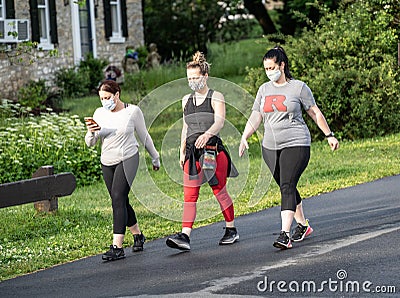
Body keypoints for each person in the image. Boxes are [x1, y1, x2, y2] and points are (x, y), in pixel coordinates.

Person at [239, 46, 339, 249]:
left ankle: (285, 234)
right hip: (270, 146)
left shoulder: (299, 87)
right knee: (287, 185)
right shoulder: (263, 90)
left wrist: (329, 135)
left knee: (287, 185)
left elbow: (314, 113)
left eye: (271, 67)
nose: (269, 72)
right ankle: (302, 225)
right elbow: (256, 116)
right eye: (265, 69)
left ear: (282, 65)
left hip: (296, 142)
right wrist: (244, 136)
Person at [166, 51, 239, 251]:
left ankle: (231, 229)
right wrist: (181, 151)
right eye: (189, 78)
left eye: (196, 78)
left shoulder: (216, 96)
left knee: (219, 190)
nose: (192, 81)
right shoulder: (185, 100)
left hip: (212, 152)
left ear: (205, 76)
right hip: (191, 153)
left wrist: (207, 134)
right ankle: (185, 236)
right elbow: (185, 127)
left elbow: (220, 121)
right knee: (189, 196)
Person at [85, 80, 160, 261]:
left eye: (108, 97)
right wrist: (91, 132)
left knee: (118, 197)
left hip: (128, 157)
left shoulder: (132, 111)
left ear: (117, 94)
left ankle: (117, 247)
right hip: (107, 161)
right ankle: (138, 235)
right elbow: (90, 143)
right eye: (102, 98)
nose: (105, 101)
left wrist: (155, 157)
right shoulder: (99, 113)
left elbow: (144, 136)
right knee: (121, 200)